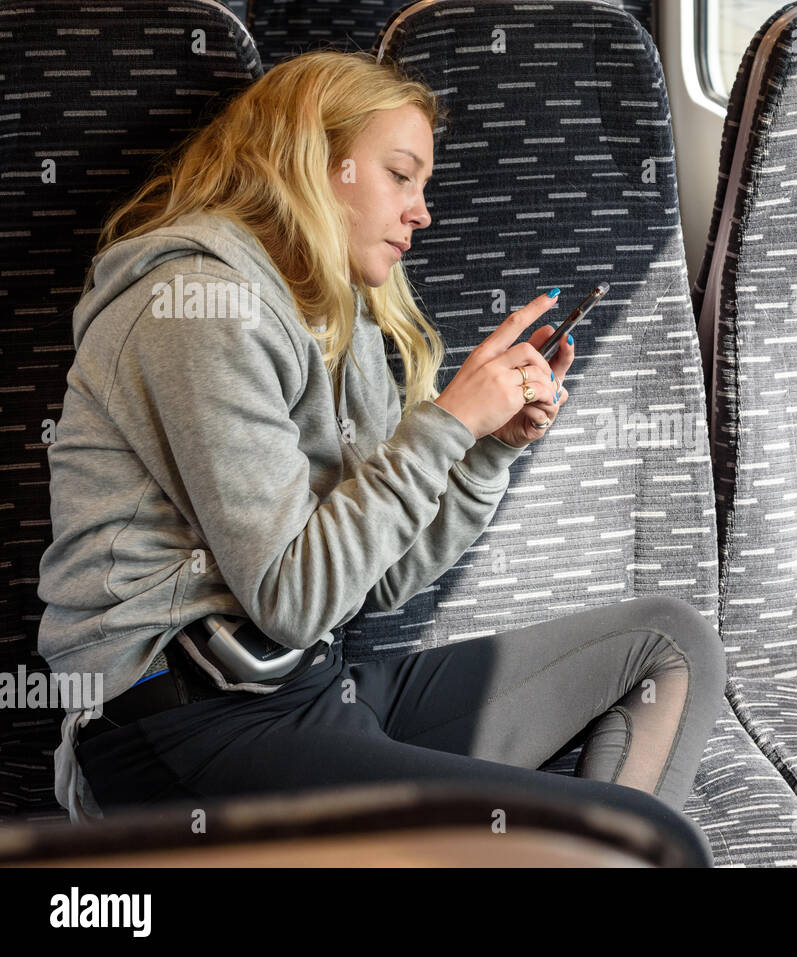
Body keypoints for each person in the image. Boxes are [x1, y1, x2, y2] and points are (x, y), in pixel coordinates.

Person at [36, 51, 726, 859]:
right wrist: (444, 425)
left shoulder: (344, 316)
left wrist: (481, 453)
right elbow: (292, 596)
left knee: (672, 644)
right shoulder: (194, 304)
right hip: (187, 728)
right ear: (318, 165)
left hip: (310, 687)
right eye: (403, 176)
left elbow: (373, 583)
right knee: (649, 843)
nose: (422, 212)